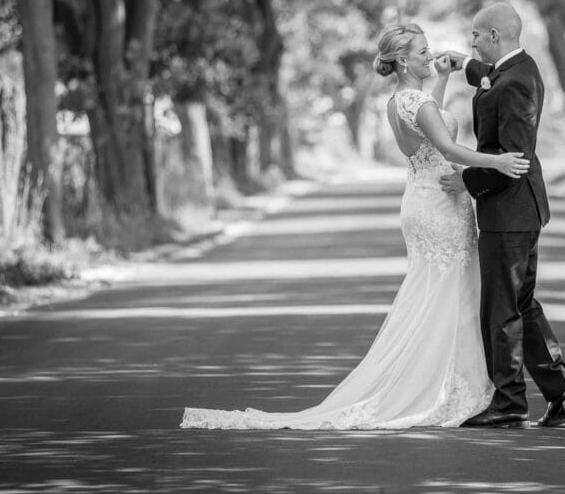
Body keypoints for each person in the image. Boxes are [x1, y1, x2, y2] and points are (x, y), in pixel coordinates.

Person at [180, 23, 529, 430]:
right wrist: (499, 162)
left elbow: (430, 132)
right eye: (422, 51)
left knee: (436, 294)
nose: (430, 56)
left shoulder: (400, 101)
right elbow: (448, 147)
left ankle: (446, 382)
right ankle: (449, 388)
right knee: (454, 293)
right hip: (440, 204)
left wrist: (445, 78)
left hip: (421, 199)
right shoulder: (418, 103)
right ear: (402, 59)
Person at [441, 2, 565, 429]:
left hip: (510, 211)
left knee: (501, 309)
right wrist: (463, 63)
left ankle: (509, 402)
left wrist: (468, 182)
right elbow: (489, 80)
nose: (472, 41)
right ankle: (561, 391)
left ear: (495, 36)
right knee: (521, 304)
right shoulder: (518, 68)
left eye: (476, 37)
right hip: (521, 210)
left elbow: (513, 159)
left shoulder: (516, 81)